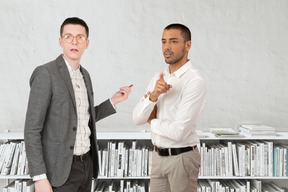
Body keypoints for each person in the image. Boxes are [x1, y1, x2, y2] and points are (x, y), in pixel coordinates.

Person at [24, 17, 132, 192]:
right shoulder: (46, 73)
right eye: (68, 37)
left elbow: (82, 118)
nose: (74, 42)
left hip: (86, 167)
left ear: (87, 43)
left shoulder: (85, 75)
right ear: (61, 41)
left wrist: (113, 101)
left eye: (80, 38)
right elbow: (32, 129)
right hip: (58, 172)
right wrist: (39, 177)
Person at [133, 23, 206, 192]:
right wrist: (153, 97)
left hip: (182, 158)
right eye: (163, 41)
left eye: (173, 41)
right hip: (158, 156)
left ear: (188, 45)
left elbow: (179, 132)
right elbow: (137, 119)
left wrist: (152, 121)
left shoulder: (194, 81)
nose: (166, 47)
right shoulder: (158, 77)